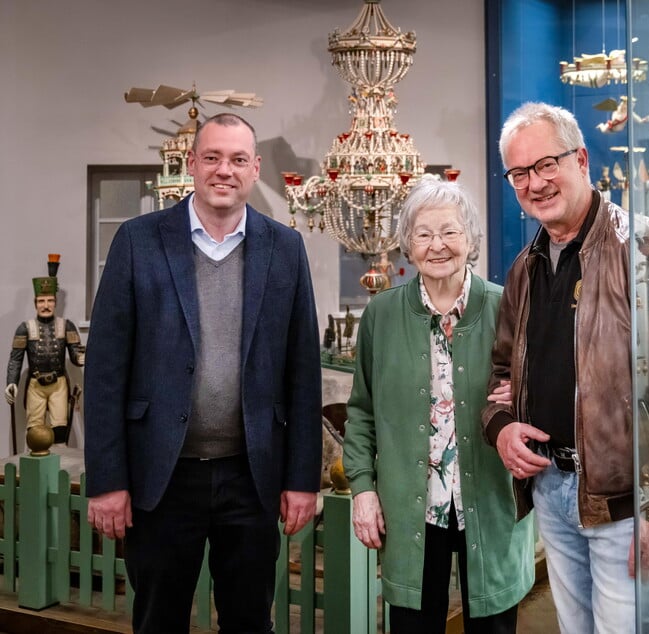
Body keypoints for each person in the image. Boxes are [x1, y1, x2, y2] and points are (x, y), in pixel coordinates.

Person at [83, 113, 322, 633]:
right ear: (192, 164)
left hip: (251, 475)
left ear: (256, 169)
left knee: (249, 620)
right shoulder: (137, 241)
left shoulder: (285, 249)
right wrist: (107, 481)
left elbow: (303, 374)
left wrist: (303, 479)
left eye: (238, 159)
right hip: (161, 477)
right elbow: (104, 371)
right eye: (212, 157)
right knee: (158, 620)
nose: (224, 170)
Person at [482, 102, 649, 632]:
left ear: (581, 159)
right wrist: (500, 429)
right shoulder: (525, 268)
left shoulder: (645, 247)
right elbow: (501, 373)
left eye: (546, 165)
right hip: (551, 489)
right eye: (519, 172)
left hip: (627, 503)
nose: (535, 183)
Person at [344, 178, 534, 633]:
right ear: (407, 246)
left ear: (470, 239)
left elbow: (542, 394)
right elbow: (362, 411)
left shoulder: (507, 305)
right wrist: (363, 488)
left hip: (489, 504)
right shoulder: (382, 315)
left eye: (450, 232)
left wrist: (524, 399)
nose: (437, 246)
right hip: (410, 508)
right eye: (423, 234)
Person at [5, 254, 84, 445]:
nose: (46, 306)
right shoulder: (25, 328)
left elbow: (74, 351)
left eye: (49, 300)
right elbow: (16, 358)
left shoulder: (66, 326)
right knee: (35, 433)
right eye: (41, 301)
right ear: (35, 303)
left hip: (59, 385)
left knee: (59, 431)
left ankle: (58, 470)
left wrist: (79, 358)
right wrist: (11, 382)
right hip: (35, 386)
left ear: (55, 302)